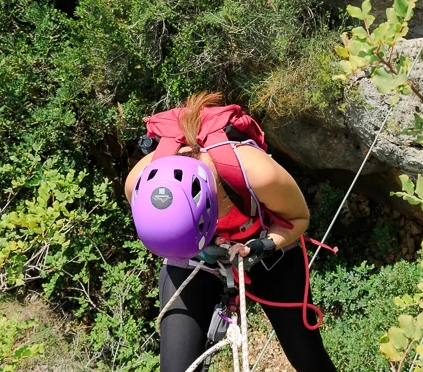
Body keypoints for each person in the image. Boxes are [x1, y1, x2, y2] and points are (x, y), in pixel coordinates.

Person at [124, 92, 337, 372]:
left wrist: (264, 246)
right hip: (194, 257)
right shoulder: (139, 182)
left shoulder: (256, 173)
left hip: (264, 246)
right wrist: (196, 248)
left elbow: (298, 218)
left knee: (309, 359)